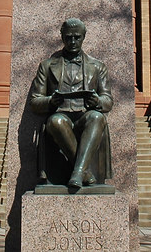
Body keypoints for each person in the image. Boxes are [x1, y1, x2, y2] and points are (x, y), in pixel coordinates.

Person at [29, 18, 112, 189]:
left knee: (97, 117)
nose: (72, 41)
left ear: (84, 37)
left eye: (77, 37)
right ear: (62, 37)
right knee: (56, 121)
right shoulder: (47, 66)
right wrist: (51, 101)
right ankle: (84, 173)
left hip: (85, 116)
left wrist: (97, 101)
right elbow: (35, 101)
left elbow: (108, 100)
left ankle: (78, 172)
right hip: (61, 116)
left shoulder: (97, 66)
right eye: (68, 37)